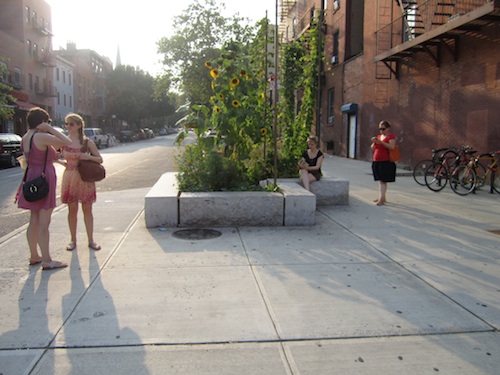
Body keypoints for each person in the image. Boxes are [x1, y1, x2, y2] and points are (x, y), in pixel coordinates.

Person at [16, 107, 72, 270]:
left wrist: (59, 162)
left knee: (34, 219)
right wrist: (49, 129)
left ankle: (34, 255)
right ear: (42, 121)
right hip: (44, 176)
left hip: (31, 175)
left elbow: (37, 156)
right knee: (44, 222)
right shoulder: (41, 136)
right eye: (47, 121)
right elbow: (67, 142)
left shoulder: (26, 136)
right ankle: (47, 260)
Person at [60, 113, 103, 251]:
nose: (68, 127)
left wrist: (87, 157)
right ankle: (73, 240)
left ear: (79, 125)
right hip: (69, 177)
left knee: (87, 210)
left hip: (84, 178)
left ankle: (91, 240)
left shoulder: (87, 142)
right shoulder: (63, 141)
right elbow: (60, 158)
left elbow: (100, 159)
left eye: (71, 124)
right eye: (66, 124)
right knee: (72, 210)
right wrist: (58, 161)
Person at [371, 120, 397, 206]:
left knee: (383, 181)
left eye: (383, 129)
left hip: (385, 161)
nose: (381, 131)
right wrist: (374, 142)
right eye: (380, 129)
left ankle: (381, 199)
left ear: (388, 128)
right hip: (376, 160)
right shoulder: (379, 136)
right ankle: (382, 197)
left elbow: (392, 147)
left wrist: (381, 142)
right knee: (380, 180)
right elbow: (373, 148)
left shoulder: (391, 137)